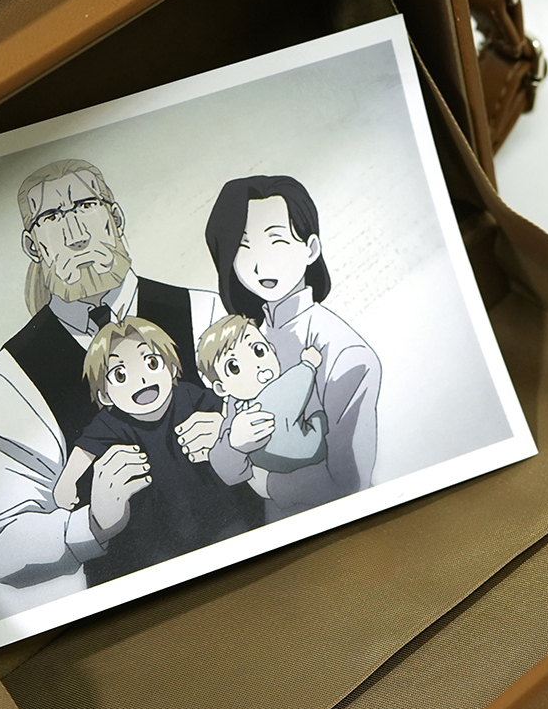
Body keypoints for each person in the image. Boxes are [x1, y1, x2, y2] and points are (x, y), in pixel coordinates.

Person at [0, 159, 250, 591]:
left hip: (253, 563)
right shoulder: (9, 374)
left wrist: (235, 435)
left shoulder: (205, 311)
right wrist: (92, 523)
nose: (75, 234)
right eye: (52, 218)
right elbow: (7, 553)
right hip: (140, 602)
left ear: (114, 217)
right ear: (33, 245)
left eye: (85, 206)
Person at [202, 176, 380, 519]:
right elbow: (226, 469)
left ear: (310, 249)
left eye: (277, 241)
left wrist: (270, 485)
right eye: (243, 246)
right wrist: (234, 444)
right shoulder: (243, 347)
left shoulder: (345, 353)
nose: (260, 264)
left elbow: (350, 482)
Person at [46, 318, 253, 582]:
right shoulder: (110, 422)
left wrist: (223, 426)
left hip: (216, 512)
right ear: (105, 395)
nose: (141, 378)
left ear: (171, 368)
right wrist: (67, 482)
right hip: (156, 534)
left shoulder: (188, 395)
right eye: (121, 375)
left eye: (151, 363)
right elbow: (86, 448)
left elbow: (227, 410)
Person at [195, 315, 327, 498]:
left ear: (272, 349)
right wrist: (234, 444)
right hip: (287, 464)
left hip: (306, 451)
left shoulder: (282, 384)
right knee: (318, 422)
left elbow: (298, 382)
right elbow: (226, 469)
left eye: (258, 351)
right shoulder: (235, 407)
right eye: (234, 367)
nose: (255, 366)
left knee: (318, 423)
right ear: (221, 388)